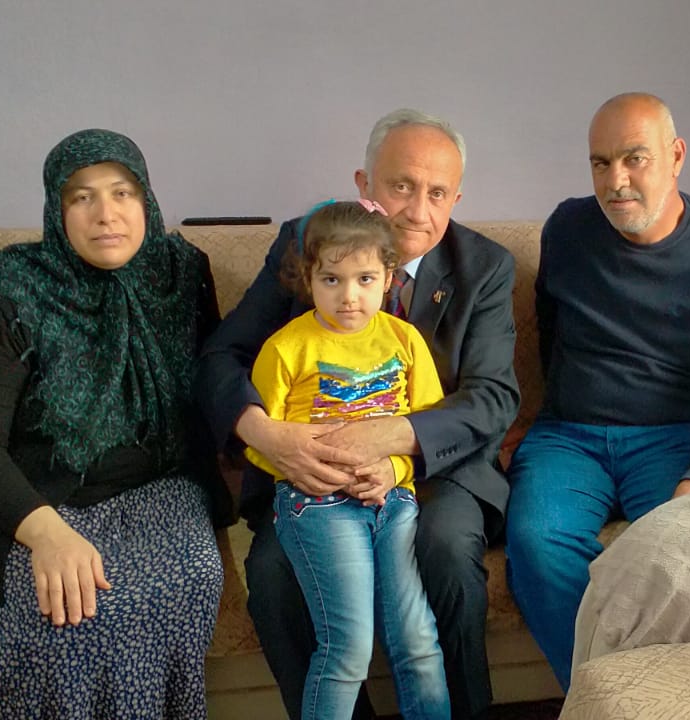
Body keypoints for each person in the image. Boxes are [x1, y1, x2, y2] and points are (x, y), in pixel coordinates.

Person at [0, 129, 232, 719]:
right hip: (33, 491)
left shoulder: (181, 275)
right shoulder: (11, 292)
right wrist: (47, 534)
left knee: (180, 581)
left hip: (161, 487)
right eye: (81, 197)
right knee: (71, 618)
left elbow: (218, 381)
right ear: (56, 209)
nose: (105, 214)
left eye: (122, 192)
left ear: (146, 199)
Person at [196, 109, 518, 720]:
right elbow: (221, 356)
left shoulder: (485, 266)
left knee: (445, 547)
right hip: (309, 472)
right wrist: (266, 433)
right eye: (401, 185)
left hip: (434, 469)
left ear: (456, 199)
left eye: (438, 193)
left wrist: (393, 439)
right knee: (272, 572)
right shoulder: (309, 242)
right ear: (364, 183)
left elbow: (492, 396)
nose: (417, 210)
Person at [505, 92, 690, 689]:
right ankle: (600, 696)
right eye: (600, 163)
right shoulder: (567, 228)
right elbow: (548, 330)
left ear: (676, 156)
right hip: (569, 435)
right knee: (535, 540)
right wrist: (534, 412)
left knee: (685, 558)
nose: (616, 181)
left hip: (676, 436)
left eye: (635, 158)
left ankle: (652, 695)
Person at [247, 199, 449, 720]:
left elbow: (425, 431)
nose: (349, 296)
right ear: (308, 279)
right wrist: (313, 469)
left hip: (393, 502)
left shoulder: (405, 340)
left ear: (389, 278)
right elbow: (260, 444)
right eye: (331, 280)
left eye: (365, 279)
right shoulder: (286, 348)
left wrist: (396, 470)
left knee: (419, 641)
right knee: (349, 648)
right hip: (318, 508)